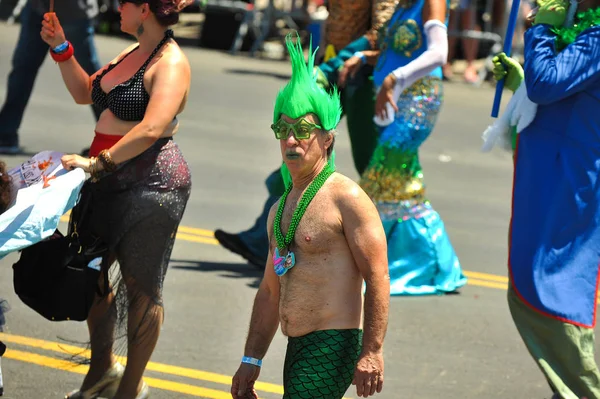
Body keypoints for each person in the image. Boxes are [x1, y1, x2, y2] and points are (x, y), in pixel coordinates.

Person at [39, 0, 193, 395]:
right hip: (107, 174)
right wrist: (61, 48)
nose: (115, 8)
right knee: (91, 274)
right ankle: (103, 369)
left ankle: (130, 388)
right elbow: (84, 93)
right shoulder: (132, 51)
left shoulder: (170, 63)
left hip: (151, 183)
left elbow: (152, 128)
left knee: (142, 288)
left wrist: (95, 164)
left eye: (122, 2)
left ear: (144, 9)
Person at [231, 34, 390, 399]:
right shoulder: (279, 208)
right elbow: (270, 292)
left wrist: (372, 352)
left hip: (332, 345)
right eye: (282, 129)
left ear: (327, 139)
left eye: (302, 130)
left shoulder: (346, 197)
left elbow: (377, 275)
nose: (291, 140)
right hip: (296, 348)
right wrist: (251, 360)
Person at [213, 0, 399, 269]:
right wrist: (323, 57)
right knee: (298, 155)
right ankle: (262, 239)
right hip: (333, 70)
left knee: (371, 166)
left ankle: (379, 255)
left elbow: (380, 32)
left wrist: (331, 65)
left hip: (365, 77)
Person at [490, 0, 600, 397]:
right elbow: (554, 91)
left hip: (572, 180)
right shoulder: (582, 24)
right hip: (556, 173)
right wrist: (522, 83)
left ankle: (582, 390)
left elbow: (549, 84)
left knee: (556, 285)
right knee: (541, 279)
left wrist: (540, 30)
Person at [338, 0, 467, 295]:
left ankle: (379, 266)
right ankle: (434, 266)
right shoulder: (402, 6)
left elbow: (438, 53)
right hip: (392, 99)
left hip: (417, 100)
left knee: (379, 178)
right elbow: (396, 53)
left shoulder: (431, 2)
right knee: (401, 186)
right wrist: (362, 57)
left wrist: (396, 79)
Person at [0, 0, 101, 154]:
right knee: (22, 69)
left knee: (92, 78)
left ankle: (112, 138)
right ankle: (5, 133)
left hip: (75, 12)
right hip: (37, 8)